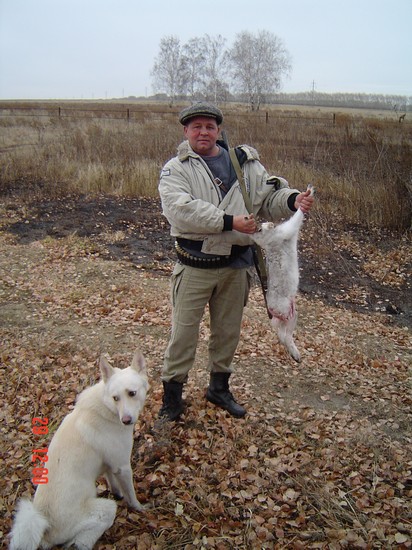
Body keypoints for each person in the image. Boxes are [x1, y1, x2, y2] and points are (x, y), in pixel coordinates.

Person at [158, 102, 314, 421]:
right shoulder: (176, 169)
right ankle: (172, 399)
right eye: (196, 127)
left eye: (209, 126)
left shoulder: (245, 164)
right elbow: (181, 209)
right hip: (194, 265)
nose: (203, 132)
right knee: (183, 334)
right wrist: (230, 222)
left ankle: (218, 388)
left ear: (218, 130)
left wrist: (291, 199)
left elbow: (268, 197)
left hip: (235, 266)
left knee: (227, 332)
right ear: (186, 131)